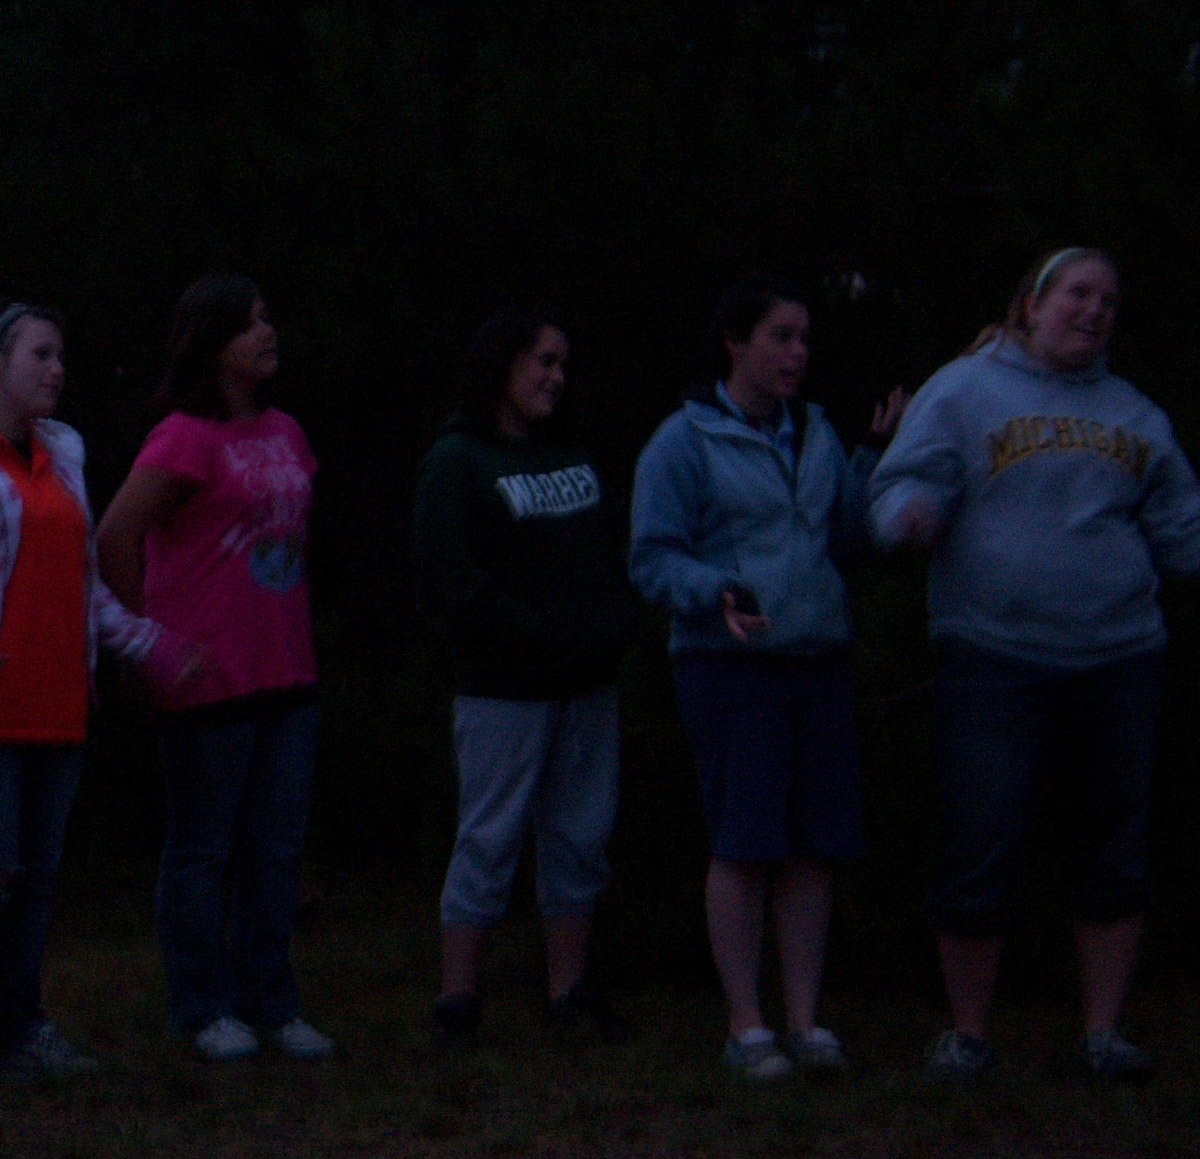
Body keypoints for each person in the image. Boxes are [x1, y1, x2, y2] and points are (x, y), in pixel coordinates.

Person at [870, 248, 1200, 1081]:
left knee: (1112, 843)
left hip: (1120, 658)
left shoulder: (1136, 415)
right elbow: (903, 480)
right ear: (1033, 304)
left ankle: (1103, 1034)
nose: (1094, 311)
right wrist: (907, 514)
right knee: (981, 839)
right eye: (1078, 294)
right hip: (993, 656)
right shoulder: (963, 390)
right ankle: (969, 1036)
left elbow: (1181, 529)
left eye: (1109, 301)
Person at [0, 295, 201, 1087]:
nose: (57, 370)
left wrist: (150, 644)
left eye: (60, 356)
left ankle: (18, 1026)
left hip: (56, 703)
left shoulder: (60, 459)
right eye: (41, 354)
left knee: (34, 879)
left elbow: (83, 589)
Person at [629, 275, 904, 1081]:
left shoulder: (815, 432)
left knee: (814, 847)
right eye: (781, 336)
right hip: (731, 667)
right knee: (746, 844)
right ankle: (746, 1026)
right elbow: (651, 557)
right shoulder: (684, 440)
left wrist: (873, 455)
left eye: (805, 339)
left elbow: (845, 541)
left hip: (817, 660)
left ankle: (806, 1021)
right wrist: (712, 590)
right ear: (735, 343)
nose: (797, 353)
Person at [95, 275, 330, 1063]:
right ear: (213, 342)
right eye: (249, 323)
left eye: (268, 319)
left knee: (276, 849)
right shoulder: (184, 438)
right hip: (207, 676)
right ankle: (201, 1008)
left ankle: (272, 1003)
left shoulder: (288, 432)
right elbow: (115, 535)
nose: (268, 333)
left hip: (287, 671)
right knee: (203, 849)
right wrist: (145, 641)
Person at [412, 310, 638, 1050]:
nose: (555, 377)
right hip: (505, 689)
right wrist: (530, 634)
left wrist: (608, 626)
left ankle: (569, 991)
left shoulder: (568, 452)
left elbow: (606, 552)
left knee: (581, 837)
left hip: (587, 683)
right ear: (501, 365)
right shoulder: (458, 461)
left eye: (563, 363)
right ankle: (457, 1002)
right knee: (489, 839)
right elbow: (450, 577)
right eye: (542, 360)